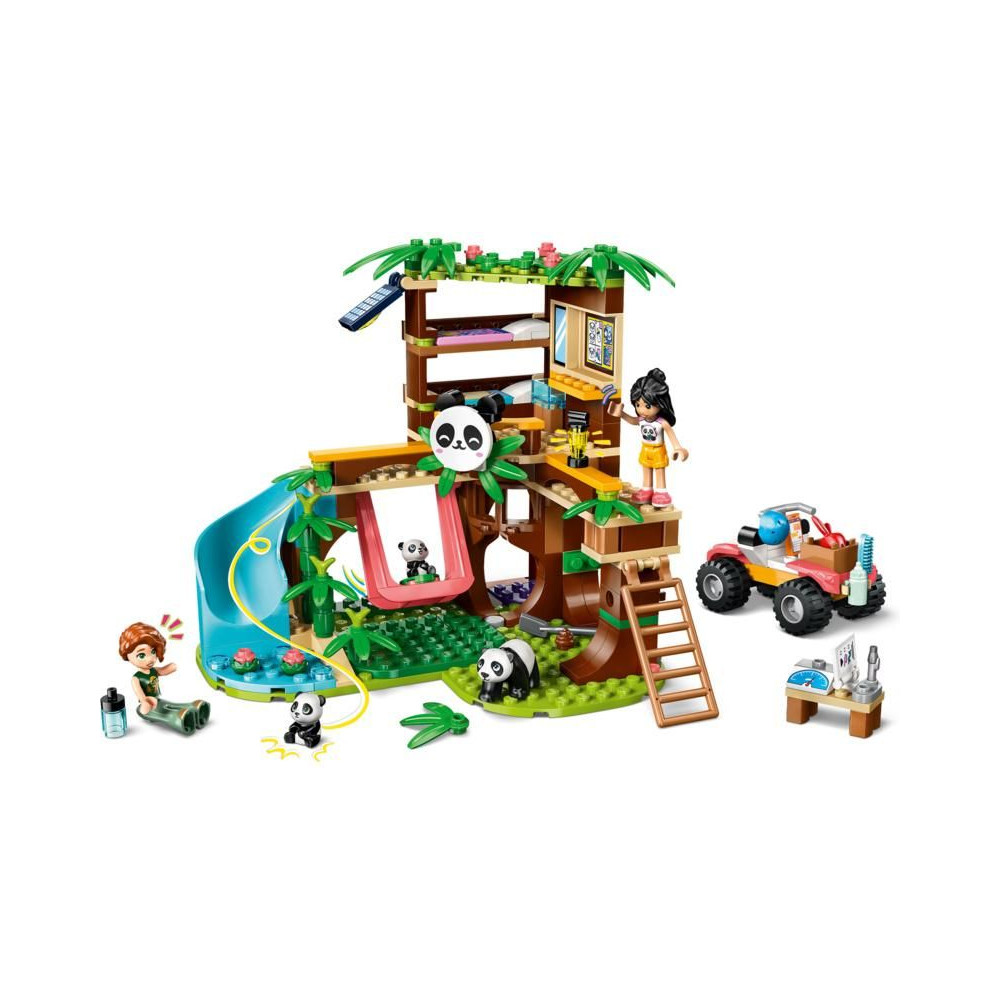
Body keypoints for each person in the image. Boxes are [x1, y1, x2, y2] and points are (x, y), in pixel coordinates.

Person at [608, 367, 689, 508]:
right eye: (637, 405)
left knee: (659, 469)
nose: (641, 410)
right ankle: (647, 489)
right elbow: (633, 420)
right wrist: (621, 414)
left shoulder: (662, 423)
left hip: (658, 450)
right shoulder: (641, 419)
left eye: (647, 405)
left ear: (661, 404)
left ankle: (661, 491)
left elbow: (672, 436)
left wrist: (678, 448)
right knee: (645, 468)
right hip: (645, 448)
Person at [119, 622, 210, 735]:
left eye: (153, 652)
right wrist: (145, 701)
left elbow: (162, 671)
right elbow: (140, 695)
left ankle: (193, 707)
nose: (151, 659)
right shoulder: (136, 678)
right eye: (142, 655)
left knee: (173, 705)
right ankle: (179, 718)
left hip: (158, 700)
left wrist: (171, 667)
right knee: (167, 713)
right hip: (148, 707)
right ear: (127, 656)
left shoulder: (153, 670)